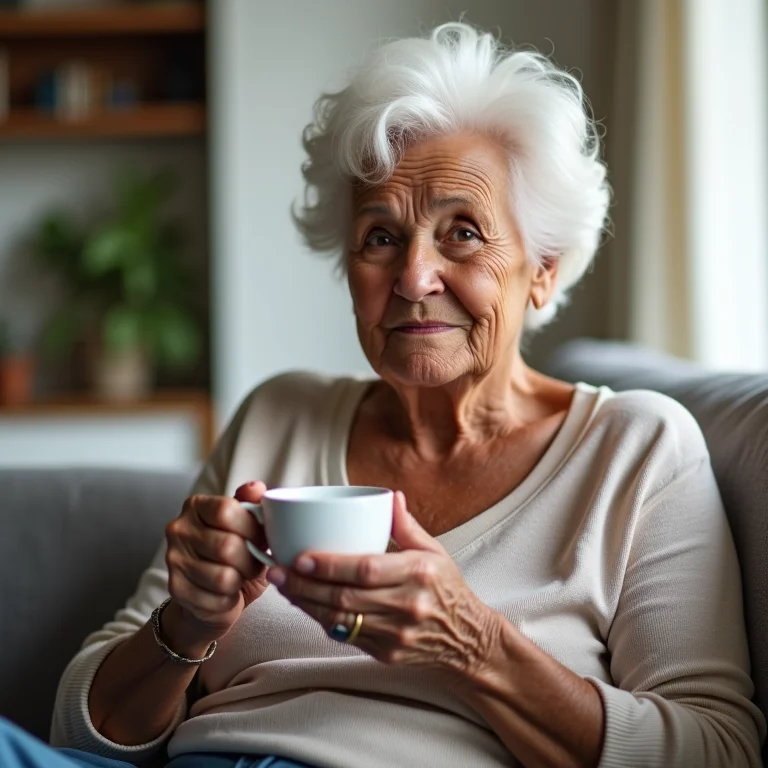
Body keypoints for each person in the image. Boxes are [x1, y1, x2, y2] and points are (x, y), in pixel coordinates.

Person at [3, 22, 765, 768]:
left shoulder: (638, 449)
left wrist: (475, 645)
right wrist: (189, 623)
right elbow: (78, 724)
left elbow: (718, 751)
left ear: (544, 267)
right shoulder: (281, 414)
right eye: (380, 236)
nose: (412, 277)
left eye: (462, 232)